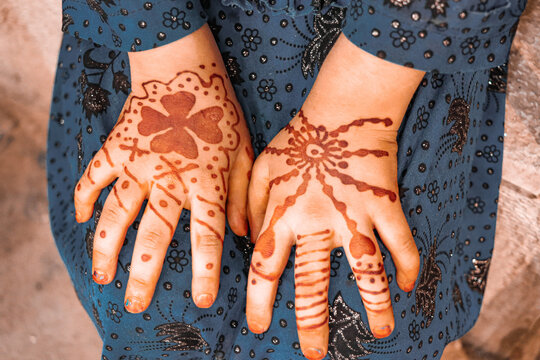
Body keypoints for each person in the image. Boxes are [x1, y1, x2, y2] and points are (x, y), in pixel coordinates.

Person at [48, 0, 525, 359]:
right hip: (163, 36)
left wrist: (360, 104)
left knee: (357, 313)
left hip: (392, 48)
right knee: (144, 292)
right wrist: (162, 54)